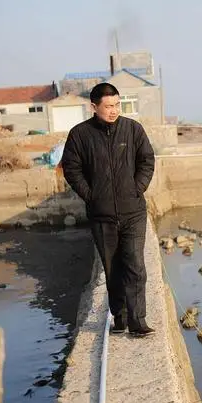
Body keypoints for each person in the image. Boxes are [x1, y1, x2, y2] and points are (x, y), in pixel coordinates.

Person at [61, 82, 156, 337]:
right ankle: (121, 317)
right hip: (101, 216)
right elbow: (71, 168)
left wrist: (138, 188)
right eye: (108, 106)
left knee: (135, 264)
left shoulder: (133, 130)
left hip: (133, 212)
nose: (113, 110)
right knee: (112, 268)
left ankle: (138, 321)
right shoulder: (80, 135)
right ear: (94, 107)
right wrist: (91, 196)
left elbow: (147, 160)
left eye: (117, 105)